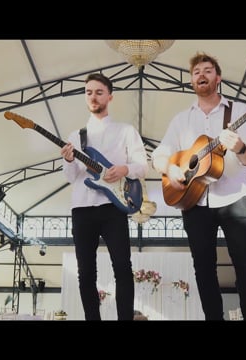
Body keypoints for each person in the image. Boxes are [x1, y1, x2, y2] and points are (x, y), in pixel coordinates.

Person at [151, 52, 246, 320]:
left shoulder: (238, 112)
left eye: (208, 70)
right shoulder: (181, 120)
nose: (202, 75)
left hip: (234, 197)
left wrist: (239, 146)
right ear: (192, 80)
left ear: (218, 77)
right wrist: (171, 168)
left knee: (245, 262)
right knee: (203, 267)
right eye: (197, 72)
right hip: (195, 201)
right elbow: (158, 156)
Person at [60, 73, 149, 320]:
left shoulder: (125, 131)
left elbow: (143, 165)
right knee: (85, 273)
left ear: (110, 96)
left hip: (113, 207)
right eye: (88, 92)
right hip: (82, 208)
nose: (93, 96)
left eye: (99, 92)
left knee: (122, 267)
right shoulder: (75, 137)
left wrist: (124, 169)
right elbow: (70, 177)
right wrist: (69, 160)